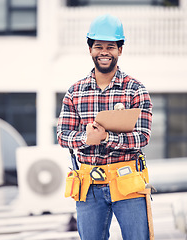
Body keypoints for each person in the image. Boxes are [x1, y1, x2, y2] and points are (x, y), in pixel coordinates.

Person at [57, 14, 153, 240]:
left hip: (127, 181)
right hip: (88, 185)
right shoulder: (75, 92)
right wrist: (85, 139)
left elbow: (143, 137)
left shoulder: (136, 90)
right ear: (90, 49)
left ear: (120, 50)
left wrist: (106, 138)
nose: (104, 52)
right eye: (98, 46)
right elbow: (62, 136)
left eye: (111, 47)